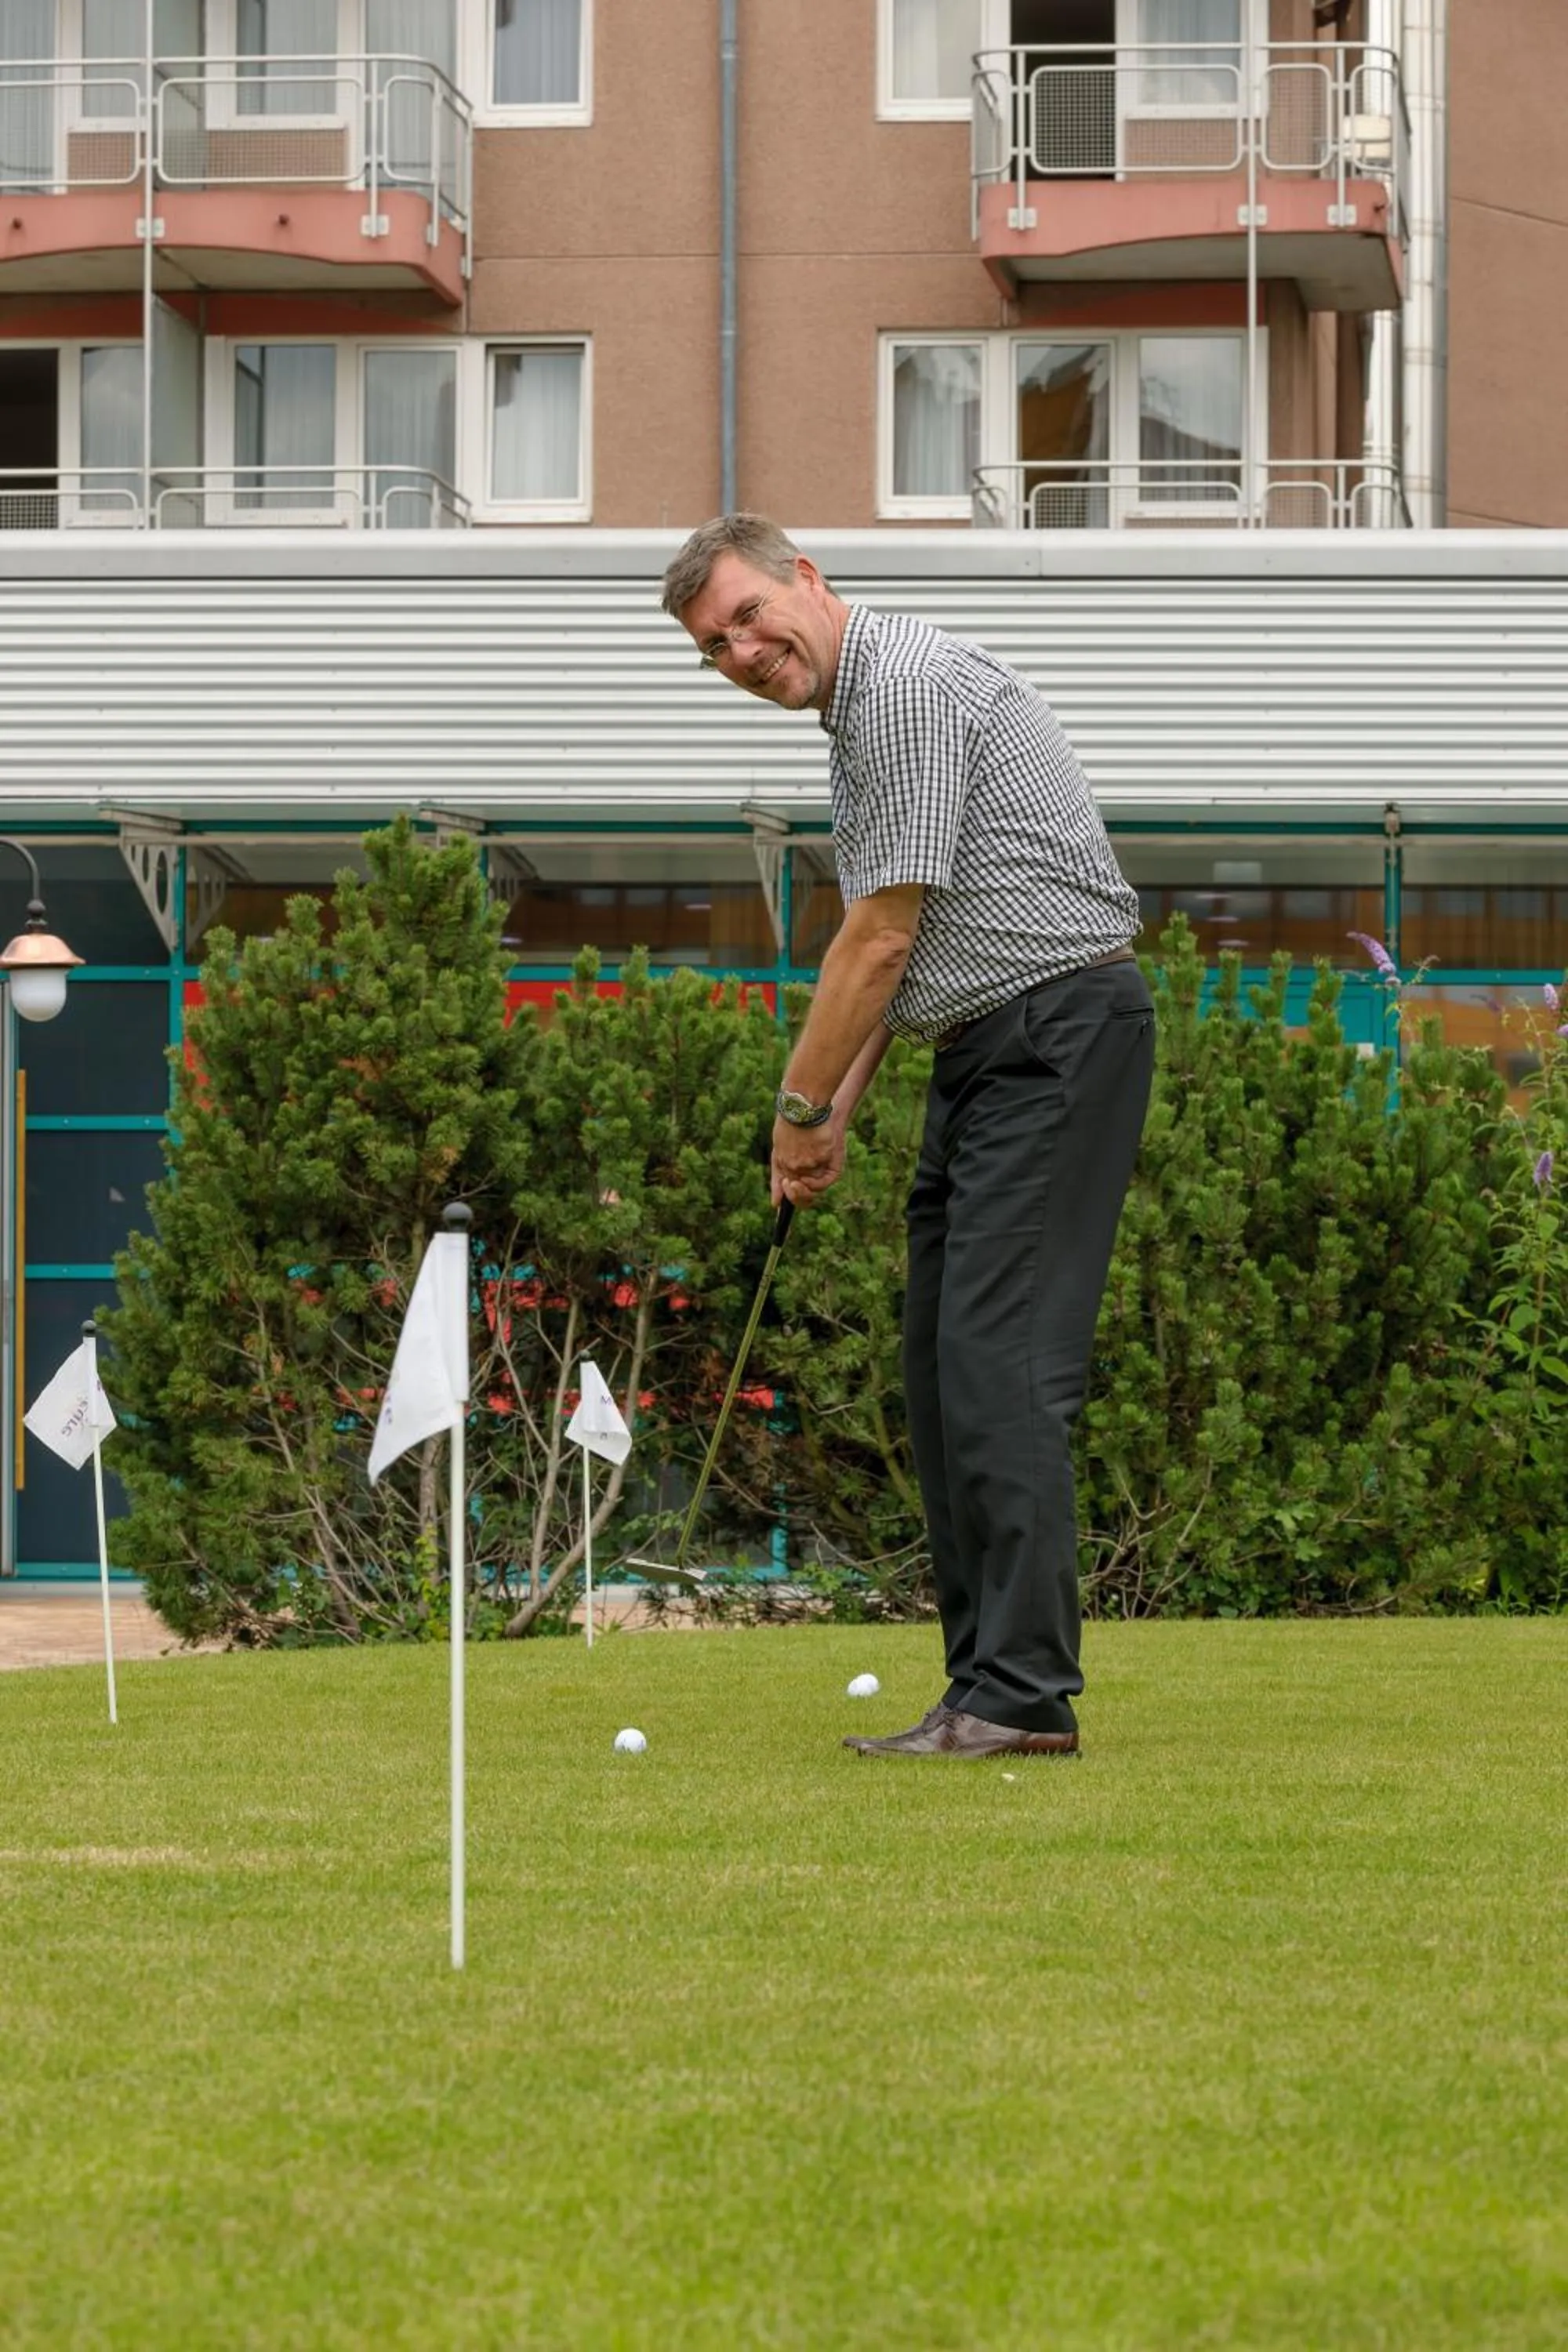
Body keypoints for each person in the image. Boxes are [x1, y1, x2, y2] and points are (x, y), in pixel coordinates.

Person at [662, 515, 1154, 1759]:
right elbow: (914, 950)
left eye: (747, 616)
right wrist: (831, 1118)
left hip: (1056, 1036)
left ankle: (1022, 1699)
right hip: (985, 1047)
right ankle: (980, 1690)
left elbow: (876, 939)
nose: (740, 650)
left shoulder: (909, 688)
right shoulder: (863, 715)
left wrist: (792, 1110)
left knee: (1003, 1369)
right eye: (714, 646)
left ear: (806, 582)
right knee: (945, 1378)